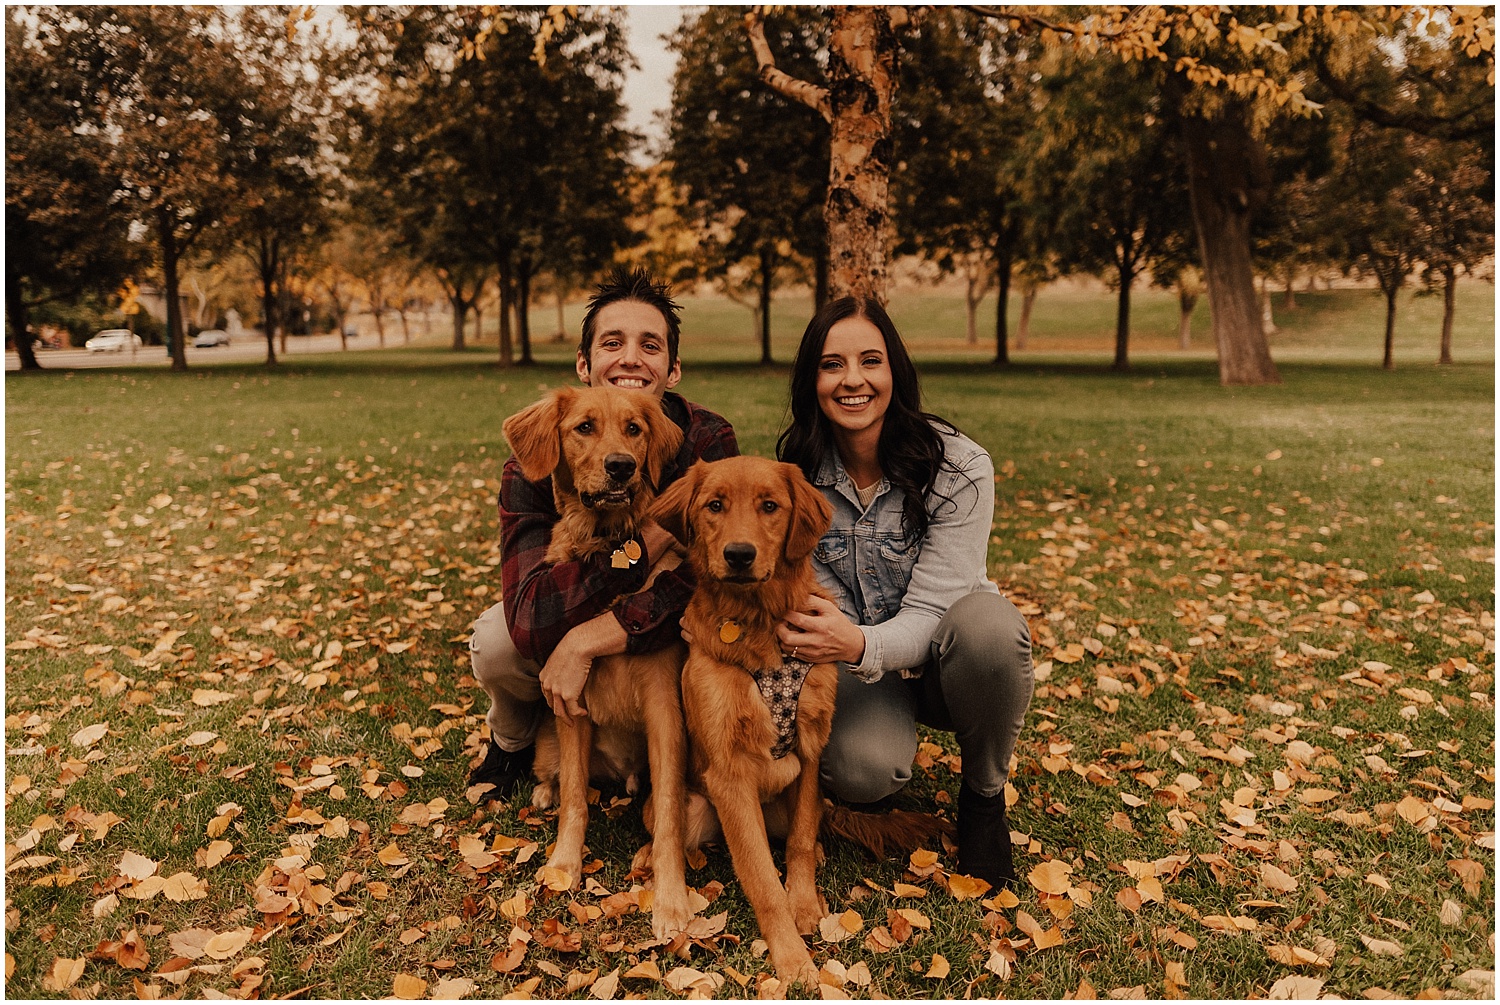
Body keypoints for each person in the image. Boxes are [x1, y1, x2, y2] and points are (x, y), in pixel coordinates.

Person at [774, 296, 1034, 888]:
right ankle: (885, 733)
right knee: (865, 773)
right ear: (811, 378)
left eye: (871, 360)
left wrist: (858, 642)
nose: (853, 380)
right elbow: (816, 600)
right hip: (859, 663)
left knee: (991, 627)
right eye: (832, 364)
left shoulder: (960, 468)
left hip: (947, 661)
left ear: (896, 372)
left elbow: (934, 609)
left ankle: (983, 795)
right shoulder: (797, 476)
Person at [467, 267, 739, 796]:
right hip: (573, 608)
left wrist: (589, 640)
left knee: (704, 633)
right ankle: (513, 743)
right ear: (585, 363)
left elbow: (704, 585)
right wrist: (649, 545)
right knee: (498, 642)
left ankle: (692, 768)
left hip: (672, 638)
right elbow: (531, 618)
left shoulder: (705, 441)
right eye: (613, 343)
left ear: (673, 368)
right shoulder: (534, 456)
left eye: (651, 345)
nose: (632, 358)